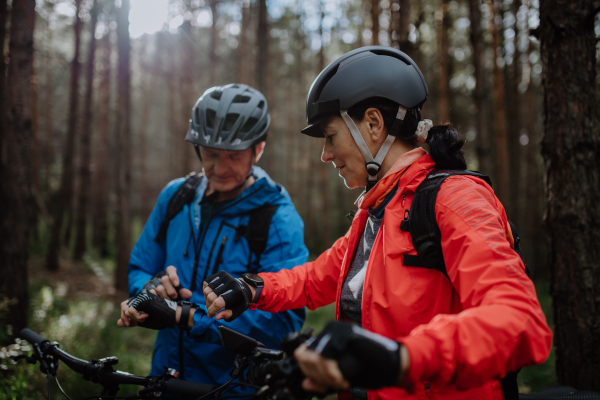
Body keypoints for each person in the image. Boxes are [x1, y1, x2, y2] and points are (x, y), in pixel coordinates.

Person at [202, 47, 552, 400]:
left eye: (331, 136)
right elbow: (314, 279)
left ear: (373, 124)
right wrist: (252, 287)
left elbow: (520, 322)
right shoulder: (376, 213)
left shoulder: (455, 199)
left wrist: (401, 358)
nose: (325, 154)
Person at [117, 84, 308, 396]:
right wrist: (149, 292)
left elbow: (283, 324)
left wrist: (189, 318)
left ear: (257, 149)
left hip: (234, 388)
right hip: (165, 380)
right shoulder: (175, 197)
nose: (220, 169)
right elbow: (140, 265)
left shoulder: (277, 218)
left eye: (234, 156)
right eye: (210, 154)